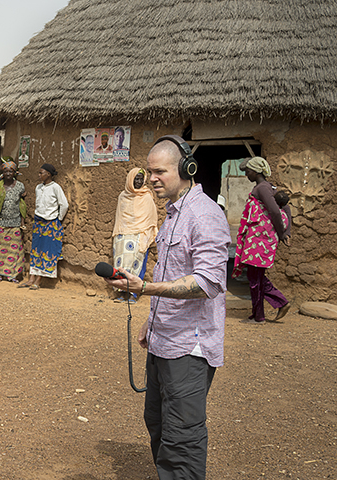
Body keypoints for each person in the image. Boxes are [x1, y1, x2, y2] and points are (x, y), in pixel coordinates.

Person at [105, 136, 230, 480]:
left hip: (189, 347)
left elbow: (208, 283)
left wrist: (144, 288)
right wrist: (152, 318)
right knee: (158, 422)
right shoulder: (173, 214)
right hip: (164, 339)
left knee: (182, 438)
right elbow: (171, 272)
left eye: (160, 171)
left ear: (187, 169)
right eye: (149, 171)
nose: (152, 178)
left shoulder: (204, 215)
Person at [233, 157, 291, 323]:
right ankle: (260, 314)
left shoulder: (263, 188)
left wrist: (283, 233)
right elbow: (284, 206)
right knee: (255, 276)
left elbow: (276, 210)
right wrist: (286, 232)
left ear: (257, 171)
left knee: (254, 277)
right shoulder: (266, 187)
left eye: (248, 171)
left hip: (260, 240)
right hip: (259, 240)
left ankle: (275, 306)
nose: (246, 174)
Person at [110, 167, 158, 302]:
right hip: (122, 235)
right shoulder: (122, 197)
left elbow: (150, 218)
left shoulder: (147, 196)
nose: (138, 181)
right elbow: (120, 218)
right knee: (121, 265)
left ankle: (133, 294)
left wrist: (146, 235)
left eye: (141, 179)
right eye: (136, 179)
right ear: (130, 179)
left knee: (136, 264)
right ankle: (121, 293)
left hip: (139, 235)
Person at [19, 163, 68, 290]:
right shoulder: (38, 187)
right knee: (35, 250)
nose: (39, 175)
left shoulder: (55, 187)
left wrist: (58, 219)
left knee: (46, 251)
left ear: (49, 174)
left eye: (42, 173)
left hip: (50, 223)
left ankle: (38, 280)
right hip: (38, 223)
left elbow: (64, 205)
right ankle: (31, 278)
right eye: (39, 173)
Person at [0, 158, 26, 282]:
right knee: (0, 251)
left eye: (10, 171)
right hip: (2, 223)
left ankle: (12, 274)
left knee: (14, 250)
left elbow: (22, 205)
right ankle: (0, 273)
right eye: (6, 171)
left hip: (15, 223)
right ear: (3, 173)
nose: (8, 174)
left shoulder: (20, 187)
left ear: (14, 173)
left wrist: (22, 223)